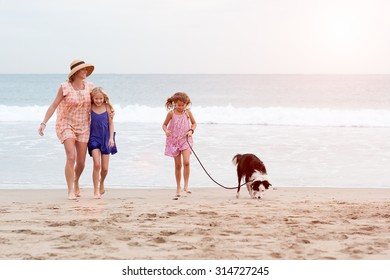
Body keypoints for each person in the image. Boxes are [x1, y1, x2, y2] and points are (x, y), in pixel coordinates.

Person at [38, 59, 94, 200]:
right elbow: (54, 105)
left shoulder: (90, 87)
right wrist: (44, 122)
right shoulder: (64, 87)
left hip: (84, 126)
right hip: (66, 124)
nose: (85, 71)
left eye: (86, 69)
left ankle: (76, 181)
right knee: (71, 156)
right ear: (75, 73)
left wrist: (109, 114)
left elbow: (97, 105)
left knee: (81, 162)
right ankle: (70, 190)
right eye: (83, 69)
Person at [162, 92, 197, 199]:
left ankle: (186, 185)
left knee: (186, 162)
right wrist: (166, 131)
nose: (181, 107)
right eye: (179, 105)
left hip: (185, 140)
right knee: (178, 165)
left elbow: (194, 123)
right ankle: (178, 187)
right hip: (174, 141)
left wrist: (191, 130)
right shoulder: (171, 114)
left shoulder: (187, 113)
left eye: (183, 105)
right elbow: (164, 125)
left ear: (186, 104)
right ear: (174, 103)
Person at [88, 87, 117, 199]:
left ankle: (102, 182)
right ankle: (95, 190)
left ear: (104, 98)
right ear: (92, 98)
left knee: (105, 168)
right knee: (97, 164)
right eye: (96, 99)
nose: (98, 101)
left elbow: (111, 124)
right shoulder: (90, 108)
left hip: (106, 138)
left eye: (100, 98)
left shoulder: (107, 107)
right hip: (94, 138)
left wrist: (111, 138)